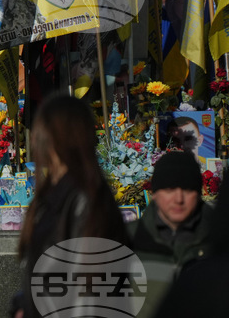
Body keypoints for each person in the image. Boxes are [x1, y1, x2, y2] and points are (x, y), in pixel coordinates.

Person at [17, 96, 128, 318]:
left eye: (40, 130)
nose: (34, 137)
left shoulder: (83, 199)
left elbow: (90, 289)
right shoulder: (55, 195)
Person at [129, 151, 215, 317]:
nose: (179, 199)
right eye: (169, 189)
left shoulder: (218, 242)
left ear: (199, 193)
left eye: (187, 189)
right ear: (154, 193)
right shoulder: (128, 239)